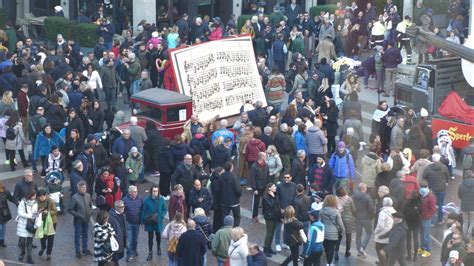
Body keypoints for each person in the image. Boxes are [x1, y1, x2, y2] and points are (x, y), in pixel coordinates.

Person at [141, 185, 167, 261]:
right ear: (151, 191)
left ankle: (158, 247)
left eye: (156, 191)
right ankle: (150, 252)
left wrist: (161, 216)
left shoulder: (161, 200)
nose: (155, 193)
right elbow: (143, 211)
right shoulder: (146, 200)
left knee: (158, 236)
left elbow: (165, 209)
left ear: (158, 192)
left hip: (158, 222)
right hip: (149, 222)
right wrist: (142, 222)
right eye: (153, 191)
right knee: (150, 238)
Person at [422, 153, 449, 224]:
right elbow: (447, 176)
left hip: (432, 189)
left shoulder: (428, 167)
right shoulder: (444, 167)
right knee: (441, 204)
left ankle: (432, 221)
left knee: (432, 204)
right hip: (441, 188)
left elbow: (424, 176)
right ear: (439, 159)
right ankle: (440, 220)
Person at [69, 181, 93, 259]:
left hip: (86, 219)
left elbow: (90, 205)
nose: (83, 189)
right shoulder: (74, 197)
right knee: (78, 236)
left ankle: (85, 249)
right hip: (78, 220)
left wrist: (91, 211)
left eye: (84, 187)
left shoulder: (88, 196)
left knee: (86, 234)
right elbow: (70, 209)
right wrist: (78, 215)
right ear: (78, 188)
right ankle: (78, 251)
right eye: (82, 188)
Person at [320, 195, 345, 264]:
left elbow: (320, 222)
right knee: (331, 249)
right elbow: (340, 224)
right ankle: (329, 263)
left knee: (327, 248)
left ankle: (328, 262)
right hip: (334, 233)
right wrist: (342, 231)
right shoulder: (336, 211)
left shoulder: (322, 211)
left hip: (324, 233)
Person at [275, 174, 297, 251]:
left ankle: (285, 243)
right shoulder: (280, 186)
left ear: (291, 178)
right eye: (285, 177)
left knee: (287, 228)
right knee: (278, 227)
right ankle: (277, 243)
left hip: (289, 210)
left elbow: (294, 197)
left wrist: (292, 208)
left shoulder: (294, 185)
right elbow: (277, 198)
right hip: (281, 210)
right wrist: (280, 208)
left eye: (288, 177)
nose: (286, 179)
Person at [16, 190, 38, 264]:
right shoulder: (23, 203)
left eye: (35, 196)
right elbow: (20, 213)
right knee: (22, 241)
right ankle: (22, 252)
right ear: (29, 195)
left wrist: (37, 220)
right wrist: (30, 216)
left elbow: (36, 213)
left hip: (31, 224)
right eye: (33, 196)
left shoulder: (36, 203)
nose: (35, 197)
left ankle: (29, 256)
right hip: (23, 224)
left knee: (30, 241)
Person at [123, 185, 143, 262]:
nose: (135, 193)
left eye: (136, 191)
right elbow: (123, 211)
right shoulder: (125, 199)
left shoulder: (140, 199)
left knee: (135, 239)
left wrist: (142, 221)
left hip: (137, 223)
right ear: (130, 192)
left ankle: (134, 250)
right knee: (129, 240)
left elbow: (142, 210)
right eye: (134, 192)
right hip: (129, 223)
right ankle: (129, 254)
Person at [374, 197, 396, 265]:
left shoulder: (383, 212)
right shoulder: (394, 211)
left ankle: (382, 263)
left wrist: (376, 232)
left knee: (379, 249)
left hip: (382, 234)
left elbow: (380, 225)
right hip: (391, 234)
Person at [36, 188, 57, 261]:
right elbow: (35, 210)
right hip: (42, 221)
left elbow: (55, 211)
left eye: (42, 196)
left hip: (51, 222)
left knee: (51, 238)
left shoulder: (50, 201)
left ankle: (49, 254)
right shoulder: (37, 201)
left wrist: (47, 212)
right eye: (40, 197)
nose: (41, 198)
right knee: (42, 236)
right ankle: (43, 247)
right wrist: (38, 211)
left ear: (45, 195)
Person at [250, 152, 270, 222]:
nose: (266, 157)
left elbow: (268, 176)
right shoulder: (254, 166)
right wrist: (254, 188)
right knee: (256, 202)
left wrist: (268, 186)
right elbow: (252, 178)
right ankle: (254, 216)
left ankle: (265, 214)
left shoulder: (266, 165)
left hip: (264, 186)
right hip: (258, 187)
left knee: (265, 201)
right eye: (265, 156)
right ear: (261, 157)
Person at [336, 187, 356, 258]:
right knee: (348, 236)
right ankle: (347, 251)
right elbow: (353, 210)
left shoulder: (336, 199)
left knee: (339, 236)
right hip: (349, 220)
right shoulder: (349, 199)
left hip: (339, 219)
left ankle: (336, 252)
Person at [403, 189, 422, 262]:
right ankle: (415, 257)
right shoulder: (420, 203)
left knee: (408, 239)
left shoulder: (408, 203)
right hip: (417, 223)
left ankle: (409, 256)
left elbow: (404, 212)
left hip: (409, 223)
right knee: (416, 239)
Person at [262, 183, 281, 257]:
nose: (275, 187)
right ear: (269, 188)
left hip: (275, 216)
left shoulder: (275, 194)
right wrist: (273, 197)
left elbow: (277, 204)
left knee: (272, 233)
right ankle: (265, 249)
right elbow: (271, 205)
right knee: (269, 233)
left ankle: (269, 247)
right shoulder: (265, 196)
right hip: (269, 217)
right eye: (274, 186)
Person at [419, 181, 437, 258]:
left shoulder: (430, 197)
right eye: (421, 187)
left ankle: (428, 249)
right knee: (422, 234)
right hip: (421, 217)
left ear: (427, 187)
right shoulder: (421, 195)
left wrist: (427, 216)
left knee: (426, 235)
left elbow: (433, 209)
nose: (422, 188)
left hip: (426, 218)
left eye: (424, 187)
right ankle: (422, 248)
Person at [108, 200, 127, 265]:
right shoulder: (111, 218)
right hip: (115, 243)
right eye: (120, 207)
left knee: (120, 256)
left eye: (123, 206)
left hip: (122, 241)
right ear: (116, 207)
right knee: (115, 261)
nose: (122, 208)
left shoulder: (123, 215)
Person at [458, 170, 474, 237]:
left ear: (465, 176)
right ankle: (469, 236)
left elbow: (459, 195)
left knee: (465, 221)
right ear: (472, 175)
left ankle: (464, 236)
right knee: (472, 222)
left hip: (464, 206)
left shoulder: (461, 185)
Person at [0, 181, 15, 247]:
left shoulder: (6, 192)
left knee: (3, 228)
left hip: (4, 213)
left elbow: (12, 199)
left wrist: (19, 202)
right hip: (3, 212)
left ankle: (2, 241)